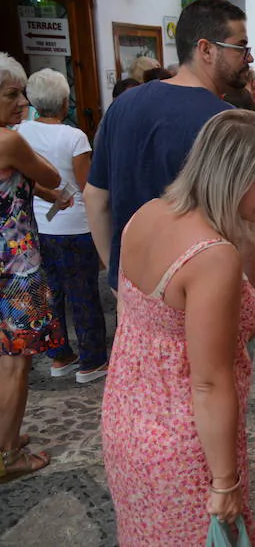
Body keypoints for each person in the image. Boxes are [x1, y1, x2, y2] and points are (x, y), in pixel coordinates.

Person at [102, 110, 255, 547]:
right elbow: (209, 382)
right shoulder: (212, 256)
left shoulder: (147, 213)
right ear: (230, 176)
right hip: (186, 441)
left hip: (128, 421)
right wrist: (225, 482)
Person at [85, 0, 255, 297]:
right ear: (206, 49)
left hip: (133, 290)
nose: (249, 58)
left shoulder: (123, 104)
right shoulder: (227, 123)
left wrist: (116, 271)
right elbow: (242, 222)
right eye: (241, 47)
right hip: (200, 292)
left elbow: (96, 198)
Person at [18, 68, 108, 383]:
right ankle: (92, 361)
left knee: (52, 294)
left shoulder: (19, 132)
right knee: (83, 294)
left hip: (39, 225)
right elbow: (88, 186)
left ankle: (59, 357)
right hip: (75, 226)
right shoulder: (74, 137)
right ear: (64, 100)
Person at [0, 53, 65, 481]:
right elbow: (53, 176)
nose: (22, 102)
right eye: (11, 94)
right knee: (15, 364)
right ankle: (8, 455)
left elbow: (14, 184)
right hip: (15, 267)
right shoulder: (7, 140)